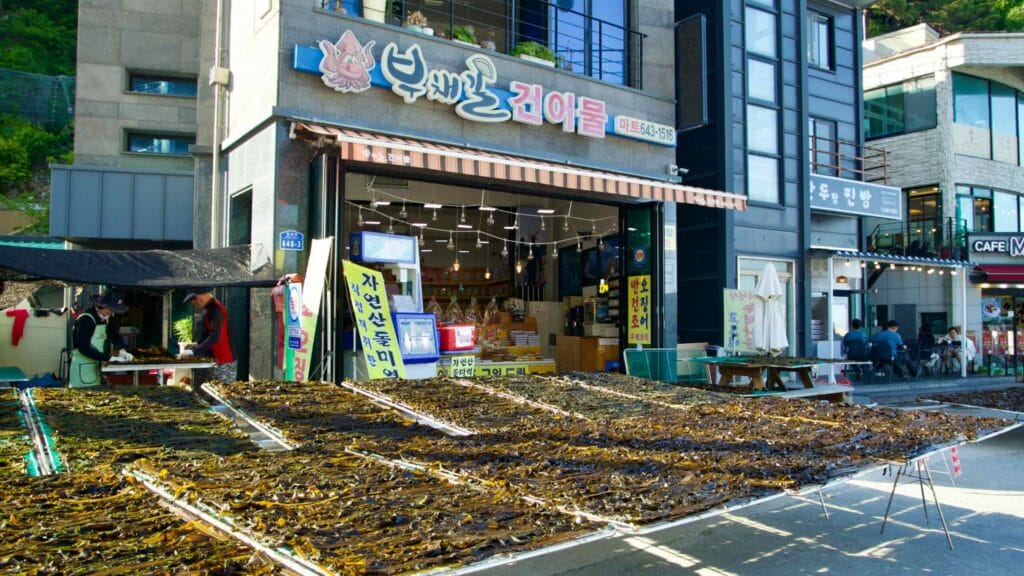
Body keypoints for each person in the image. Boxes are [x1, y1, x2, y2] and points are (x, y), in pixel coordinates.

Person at [69, 290, 134, 388]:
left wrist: (122, 350)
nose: (112, 312)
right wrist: (109, 358)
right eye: (111, 309)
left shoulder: (108, 318)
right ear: (102, 306)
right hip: (81, 366)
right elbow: (83, 348)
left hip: (96, 364)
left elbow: (114, 335)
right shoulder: (86, 319)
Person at [179, 288, 236, 383]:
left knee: (222, 393)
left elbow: (215, 336)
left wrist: (193, 352)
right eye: (191, 300)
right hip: (216, 360)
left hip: (224, 360)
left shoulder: (217, 309)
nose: (194, 302)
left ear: (205, 293)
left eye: (194, 298)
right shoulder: (210, 309)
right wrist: (196, 344)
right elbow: (208, 335)